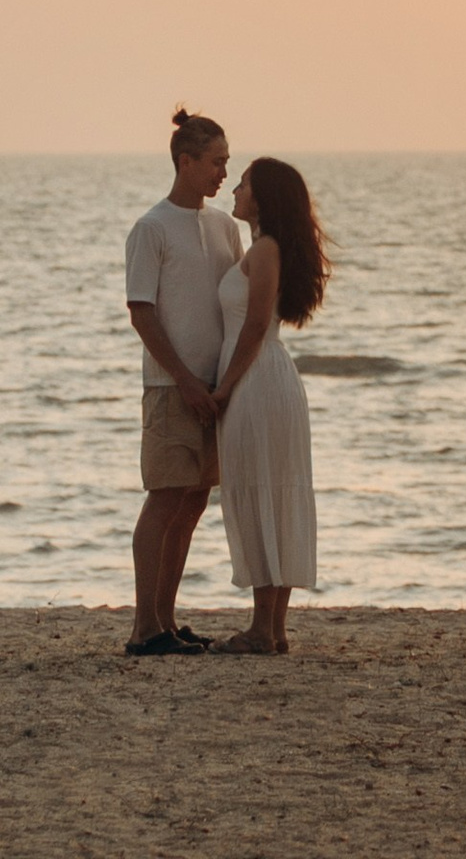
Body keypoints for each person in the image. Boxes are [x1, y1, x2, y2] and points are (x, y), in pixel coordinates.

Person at [123, 108, 241, 656]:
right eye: (215, 162)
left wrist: (225, 382)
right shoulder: (151, 229)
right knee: (164, 501)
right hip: (172, 391)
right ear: (185, 161)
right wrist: (185, 380)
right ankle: (143, 626)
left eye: (226, 162)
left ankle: (168, 621)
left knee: (193, 503)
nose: (223, 172)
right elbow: (142, 312)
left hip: (216, 390)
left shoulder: (224, 227)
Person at [213, 156, 325, 654]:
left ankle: (264, 628)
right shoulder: (267, 248)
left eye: (243, 184)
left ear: (261, 198)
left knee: (260, 488)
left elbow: (255, 326)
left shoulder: (263, 250)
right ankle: (273, 628)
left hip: (259, 381)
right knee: (273, 490)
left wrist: (223, 388)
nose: (234, 190)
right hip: (274, 379)